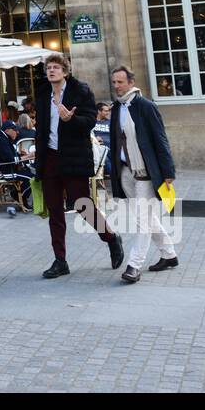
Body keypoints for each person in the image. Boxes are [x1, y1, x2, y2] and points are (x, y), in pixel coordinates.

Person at [35, 54, 123, 278]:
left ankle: (111, 238)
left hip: (73, 156)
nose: (51, 71)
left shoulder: (80, 91)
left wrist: (70, 120)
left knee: (84, 205)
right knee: (55, 210)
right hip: (50, 158)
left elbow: (90, 122)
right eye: (49, 67)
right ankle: (60, 261)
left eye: (56, 67)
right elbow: (42, 129)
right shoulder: (43, 92)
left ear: (65, 71)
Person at [108, 67, 178, 283]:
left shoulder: (146, 106)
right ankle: (169, 255)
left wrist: (168, 171)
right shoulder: (116, 109)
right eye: (114, 82)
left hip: (146, 172)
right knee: (145, 218)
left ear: (131, 82)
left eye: (120, 82)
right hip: (125, 172)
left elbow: (160, 139)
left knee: (142, 221)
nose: (117, 86)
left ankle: (134, 266)